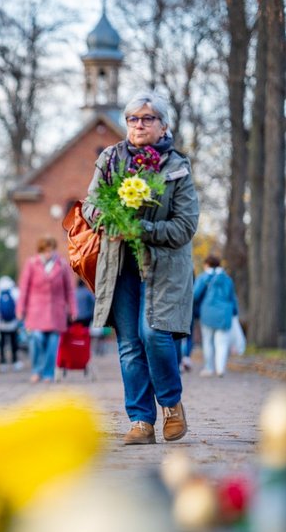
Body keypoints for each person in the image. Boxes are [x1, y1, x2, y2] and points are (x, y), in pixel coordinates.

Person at [82, 91, 199, 445]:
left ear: (163, 125)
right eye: (133, 119)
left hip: (163, 266)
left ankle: (171, 404)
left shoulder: (177, 166)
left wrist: (142, 229)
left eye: (147, 118)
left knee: (153, 333)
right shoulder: (111, 158)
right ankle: (141, 421)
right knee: (130, 343)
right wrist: (108, 217)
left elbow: (185, 226)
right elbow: (90, 205)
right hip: (119, 265)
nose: (138, 125)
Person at [18, 236, 76, 383]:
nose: (48, 253)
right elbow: (24, 289)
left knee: (53, 343)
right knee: (36, 338)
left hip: (56, 310)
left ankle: (48, 374)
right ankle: (37, 370)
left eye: (51, 250)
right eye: (45, 250)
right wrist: (20, 309)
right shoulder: (31, 264)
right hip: (35, 310)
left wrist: (73, 309)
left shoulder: (62, 265)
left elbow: (69, 289)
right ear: (40, 250)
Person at [194, 254, 239, 377]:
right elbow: (232, 298)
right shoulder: (227, 279)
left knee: (208, 342)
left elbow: (195, 295)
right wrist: (235, 312)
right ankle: (220, 368)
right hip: (225, 314)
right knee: (222, 343)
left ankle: (209, 368)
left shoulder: (204, 277)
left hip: (207, 313)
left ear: (207, 265)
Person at [0, 275, 23, 371]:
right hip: (13, 323)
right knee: (14, 342)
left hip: (0, 323)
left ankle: (3, 363)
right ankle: (15, 362)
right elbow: (20, 305)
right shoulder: (15, 291)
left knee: (2, 343)